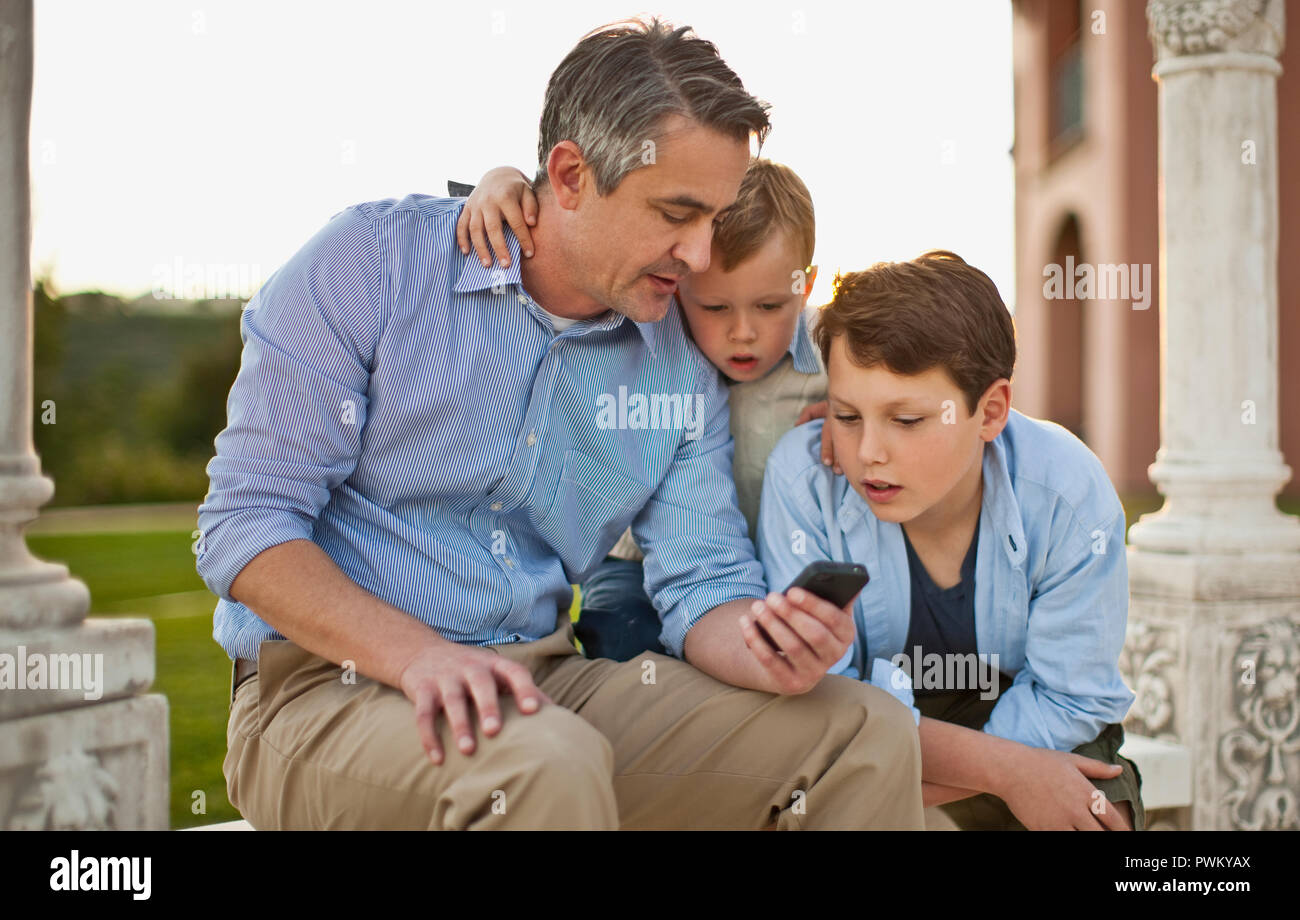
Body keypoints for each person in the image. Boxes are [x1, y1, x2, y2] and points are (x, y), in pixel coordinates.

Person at [198, 17, 924, 830]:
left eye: (714, 220)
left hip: (542, 683)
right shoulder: (370, 264)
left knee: (864, 730)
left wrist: (770, 647)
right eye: (676, 213)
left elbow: (702, 582)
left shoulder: (678, 363)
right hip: (321, 692)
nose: (697, 254)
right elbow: (245, 525)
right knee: (546, 762)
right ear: (571, 174)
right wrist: (420, 657)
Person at [755, 250, 1145, 830]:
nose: (867, 454)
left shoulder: (1068, 493)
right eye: (847, 415)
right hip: (868, 726)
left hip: (1023, 712)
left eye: (906, 421)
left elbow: (1071, 698)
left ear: (990, 412)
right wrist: (1004, 772)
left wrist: (960, 780)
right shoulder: (805, 480)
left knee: (1098, 814)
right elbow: (829, 701)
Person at [458, 157, 827, 661]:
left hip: (779, 557)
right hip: (638, 558)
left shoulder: (830, 353)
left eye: (769, 306)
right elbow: (569, 204)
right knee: (620, 640)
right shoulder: (660, 340)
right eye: (715, 308)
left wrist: (853, 414)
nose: (743, 332)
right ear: (677, 286)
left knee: (775, 653)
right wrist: (500, 181)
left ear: (802, 288)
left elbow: (902, 374)